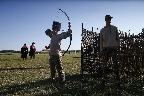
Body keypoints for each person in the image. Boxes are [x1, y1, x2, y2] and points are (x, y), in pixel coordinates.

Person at [100, 15, 120, 86]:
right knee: (105, 65)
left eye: (110, 19)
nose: (109, 20)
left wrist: (118, 45)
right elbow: (101, 41)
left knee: (116, 64)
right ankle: (104, 80)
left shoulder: (115, 28)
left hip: (114, 48)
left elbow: (118, 38)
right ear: (105, 20)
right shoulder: (102, 30)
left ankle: (117, 80)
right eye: (108, 19)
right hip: (106, 49)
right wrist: (101, 50)